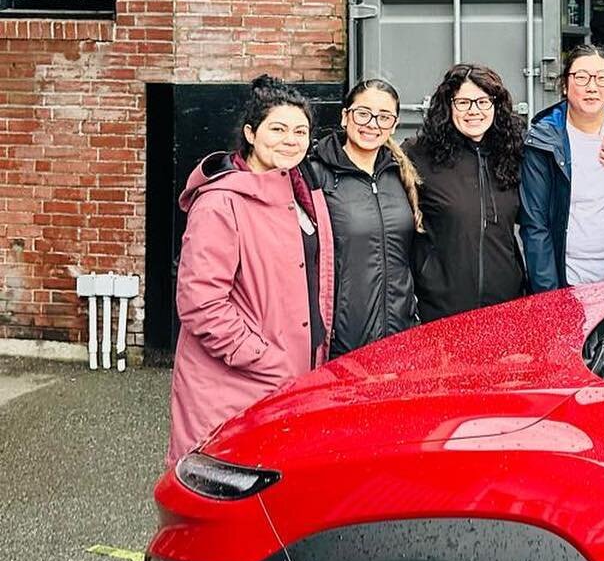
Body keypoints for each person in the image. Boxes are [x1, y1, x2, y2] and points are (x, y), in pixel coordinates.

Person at [169, 76, 335, 464]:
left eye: (300, 131)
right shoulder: (219, 203)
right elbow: (201, 303)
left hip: (294, 376)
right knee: (228, 497)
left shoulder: (300, 193)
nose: (290, 140)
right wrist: (266, 360)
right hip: (237, 383)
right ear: (250, 132)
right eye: (277, 128)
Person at [520, 43, 604, 291]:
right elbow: (535, 225)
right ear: (564, 85)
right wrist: (549, 296)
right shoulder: (543, 139)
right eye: (581, 77)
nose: (592, 87)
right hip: (568, 279)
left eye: (602, 78)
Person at [305, 79, 422, 356]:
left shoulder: (400, 174)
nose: (372, 123)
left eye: (384, 117)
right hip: (343, 339)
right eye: (363, 113)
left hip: (400, 334)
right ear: (345, 116)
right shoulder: (316, 174)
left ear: (394, 125)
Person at [403, 64, 526, 319]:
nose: (474, 111)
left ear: (496, 105)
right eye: (464, 102)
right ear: (448, 105)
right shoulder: (418, 155)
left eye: (483, 101)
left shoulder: (512, 153)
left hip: (505, 306)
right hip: (441, 309)